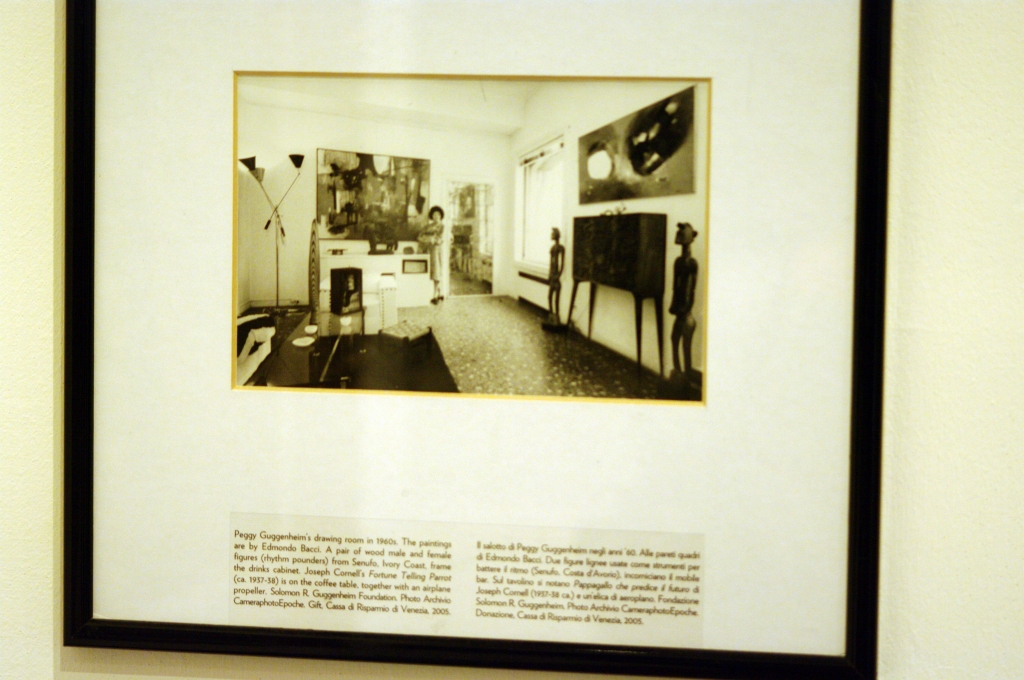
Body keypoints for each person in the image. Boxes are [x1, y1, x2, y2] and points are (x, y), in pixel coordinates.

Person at [669, 222, 698, 384]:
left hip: (686, 316)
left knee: (685, 348)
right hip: (680, 314)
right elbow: (676, 286)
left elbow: (690, 290)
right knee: (674, 341)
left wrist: (684, 308)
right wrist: (674, 305)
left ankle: (686, 379)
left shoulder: (691, 263)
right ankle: (678, 375)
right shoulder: (678, 262)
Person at [420, 206, 445, 303]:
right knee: (430, 270)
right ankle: (440, 293)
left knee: (436, 271)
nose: (436, 216)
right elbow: (420, 236)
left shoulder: (442, 227)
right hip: (427, 250)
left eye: (438, 214)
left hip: (436, 250)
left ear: (441, 216)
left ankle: (435, 295)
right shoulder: (427, 227)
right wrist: (428, 239)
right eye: (434, 214)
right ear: (432, 216)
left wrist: (431, 239)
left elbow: (439, 239)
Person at [547, 227, 565, 325]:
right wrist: (550, 274)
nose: (551, 235)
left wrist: (558, 275)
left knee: (556, 300)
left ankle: (556, 317)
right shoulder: (552, 248)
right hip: (552, 275)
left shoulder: (561, 248)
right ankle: (551, 315)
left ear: (556, 235)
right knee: (549, 297)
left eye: (552, 234)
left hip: (556, 277)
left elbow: (562, 263)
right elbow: (551, 263)